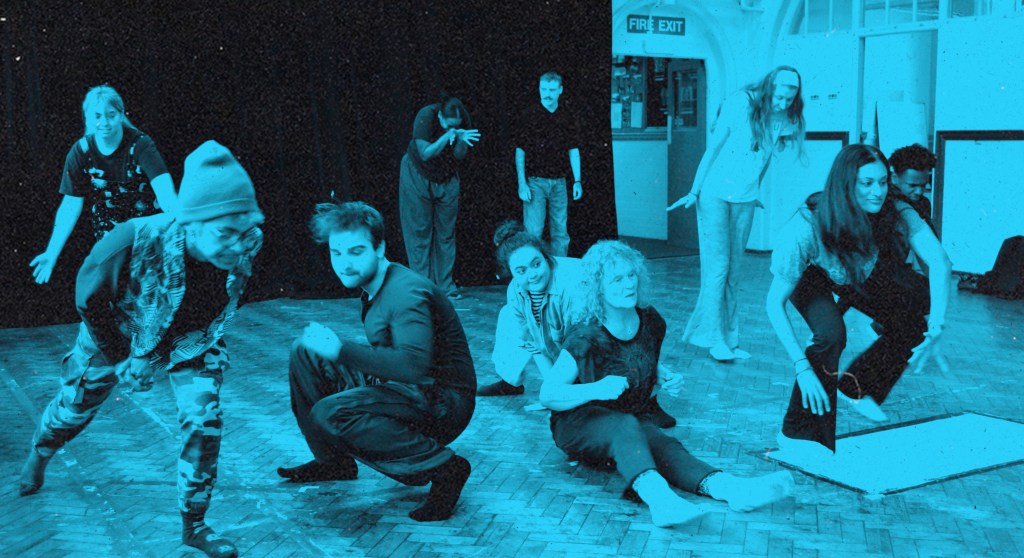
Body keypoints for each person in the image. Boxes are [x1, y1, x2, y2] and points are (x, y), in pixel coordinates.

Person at [18, 141, 264, 558]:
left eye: (245, 233)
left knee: (204, 418)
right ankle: (42, 451)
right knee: (75, 407)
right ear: (191, 222)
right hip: (118, 329)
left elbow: (220, 297)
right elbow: (87, 299)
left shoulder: (245, 241)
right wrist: (124, 358)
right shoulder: (133, 240)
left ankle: (194, 524)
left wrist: (165, 352)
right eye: (225, 234)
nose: (239, 246)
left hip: (189, 339)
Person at [541, 240, 793, 528]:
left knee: (665, 445)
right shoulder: (586, 336)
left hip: (626, 419)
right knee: (626, 426)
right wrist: (596, 389)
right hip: (577, 423)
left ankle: (732, 489)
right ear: (598, 288)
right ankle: (659, 501)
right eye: (617, 279)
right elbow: (548, 394)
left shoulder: (650, 321)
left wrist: (661, 375)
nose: (628, 284)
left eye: (631, 275)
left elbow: (632, 357)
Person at [278, 201, 476, 522]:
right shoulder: (376, 284)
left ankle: (444, 467)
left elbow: (413, 367)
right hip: (408, 388)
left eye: (356, 252)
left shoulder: (406, 294)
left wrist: (341, 351)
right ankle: (333, 462)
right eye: (336, 253)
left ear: (380, 247)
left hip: (442, 405)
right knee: (305, 351)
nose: (344, 264)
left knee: (331, 412)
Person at [766, 144, 952, 457]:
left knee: (915, 312)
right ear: (846, 184)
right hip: (812, 274)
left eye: (882, 182)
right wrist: (802, 367)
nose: (877, 192)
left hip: (854, 270)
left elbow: (940, 263)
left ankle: (858, 387)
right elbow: (774, 303)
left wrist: (937, 325)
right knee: (830, 336)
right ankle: (797, 433)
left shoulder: (896, 208)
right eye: (866, 183)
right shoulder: (805, 227)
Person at [668, 66, 806, 362]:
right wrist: (694, 191)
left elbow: (764, 159)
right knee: (717, 268)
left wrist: (754, 192)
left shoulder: (784, 117)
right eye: (779, 97)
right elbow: (712, 150)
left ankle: (730, 340)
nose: (782, 103)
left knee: (734, 271)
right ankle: (714, 339)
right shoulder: (739, 103)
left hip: (744, 199)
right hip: (714, 195)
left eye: (789, 99)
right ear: (769, 87)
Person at [480, 221, 678, 427]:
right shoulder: (515, 290)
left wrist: (652, 370)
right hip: (566, 345)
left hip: (602, 337)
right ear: (512, 273)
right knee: (507, 315)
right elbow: (535, 343)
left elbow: (596, 339)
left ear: (546, 257)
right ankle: (510, 382)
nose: (532, 274)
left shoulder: (573, 284)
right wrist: (554, 392)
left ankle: (649, 401)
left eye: (536, 264)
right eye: (521, 271)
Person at [30, 84, 178, 284]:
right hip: (110, 239)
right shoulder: (80, 152)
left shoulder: (141, 144)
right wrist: (52, 253)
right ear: (88, 118)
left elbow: (165, 193)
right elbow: (70, 206)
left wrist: (181, 225)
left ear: (121, 115)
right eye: (97, 116)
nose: (105, 123)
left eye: (111, 115)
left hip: (147, 232)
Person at [399, 93, 480, 300]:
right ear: (441, 117)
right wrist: (447, 135)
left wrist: (460, 139)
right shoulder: (426, 116)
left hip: (446, 176)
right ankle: (422, 286)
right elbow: (425, 153)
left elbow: (459, 155)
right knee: (419, 232)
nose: (453, 127)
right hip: (417, 174)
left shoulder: (461, 121)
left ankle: (445, 286)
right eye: (449, 125)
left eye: (456, 125)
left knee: (446, 233)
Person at [515, 71, 582, 257]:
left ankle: (559, 271)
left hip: (559, 182)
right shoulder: (530, 115)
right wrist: (522, 183)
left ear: (560, 90)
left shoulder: (567, 116)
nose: (547, 94)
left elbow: (573, 149)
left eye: (552, 90)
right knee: (533, 232)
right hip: (535, 182)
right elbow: (520, 151)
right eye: (544, 89)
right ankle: (532, 271)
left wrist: (577, 180)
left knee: (560, 232)